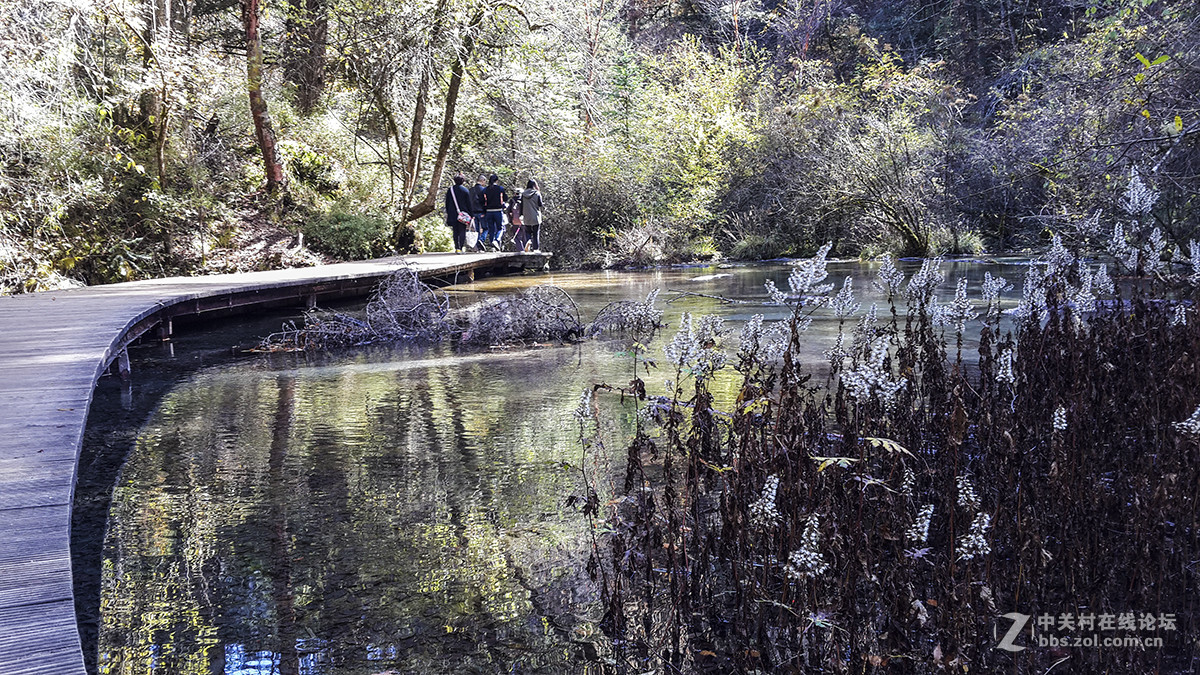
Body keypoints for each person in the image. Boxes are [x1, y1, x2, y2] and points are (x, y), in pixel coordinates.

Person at [444, 173, 472, 253]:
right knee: (462, 230)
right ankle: (461, 247)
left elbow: (447, 202)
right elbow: (469, 203)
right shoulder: (465, 190)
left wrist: (448, 212)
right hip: (463, 214)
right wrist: (471, 214)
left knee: (455, 231)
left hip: (453, 213)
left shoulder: (450, 190)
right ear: (463, 181)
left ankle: (457, 247)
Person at [481, 174, 508, 252]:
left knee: (491, 229)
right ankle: (497, 240)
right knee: (500, 228)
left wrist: (484, 210)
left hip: (488, 211)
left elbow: (482, 201)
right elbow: (505, 198)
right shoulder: (500, 189)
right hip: (498, 211)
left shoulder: (485, 190)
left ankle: (492, 245)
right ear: (497, 181)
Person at [520, 179, 544, 252]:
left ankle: (528, 247)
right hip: (535, 216)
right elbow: (540, 204)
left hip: (526, 216)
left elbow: (521, 205)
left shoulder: (523, 194)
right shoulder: (537, 193)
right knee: (536, 233)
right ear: (534, 185)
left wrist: (521, 215)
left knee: (527, 232)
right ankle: (536, 249)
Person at [468, 175, 487, 250]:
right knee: (486, 228)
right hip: (481, 211)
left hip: (473, 212)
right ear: (483, 180)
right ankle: (481, 240)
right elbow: (485, 202)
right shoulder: (483, 190)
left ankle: (478, 245)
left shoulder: (471, 190)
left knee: (476, 229)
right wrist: (485, 211)